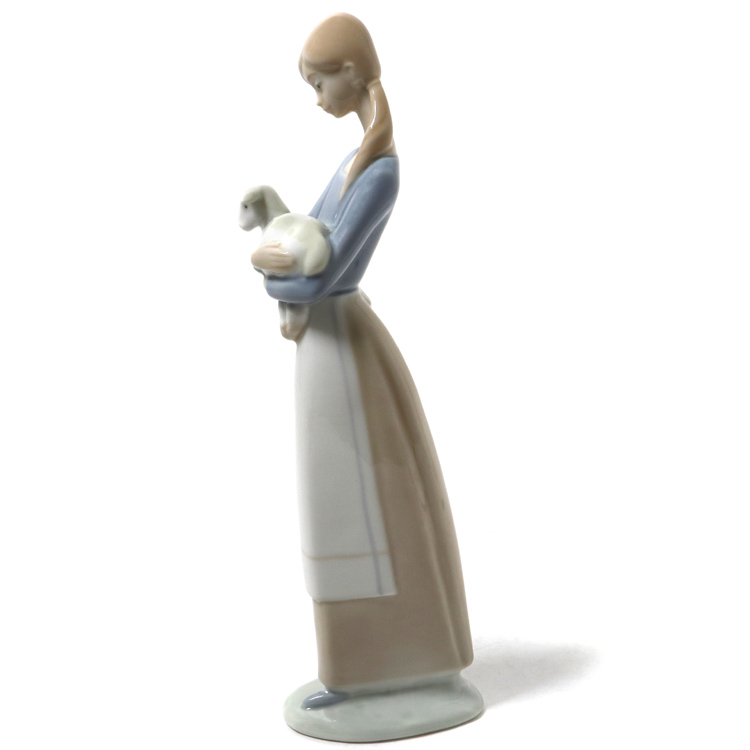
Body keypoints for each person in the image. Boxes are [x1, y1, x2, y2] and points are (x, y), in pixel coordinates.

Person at [249, 14, 479, 732]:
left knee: (354, 504)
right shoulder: (355, 161)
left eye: (319, 81)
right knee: (344, 503)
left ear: (352, 72)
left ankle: (382, 669)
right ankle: (359, 668)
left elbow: (321, 275)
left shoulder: (380, 172)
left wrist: (268, 270)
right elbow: (308, 238)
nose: (316, 96)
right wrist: (276, 246)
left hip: (343, 347)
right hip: (330, 346)